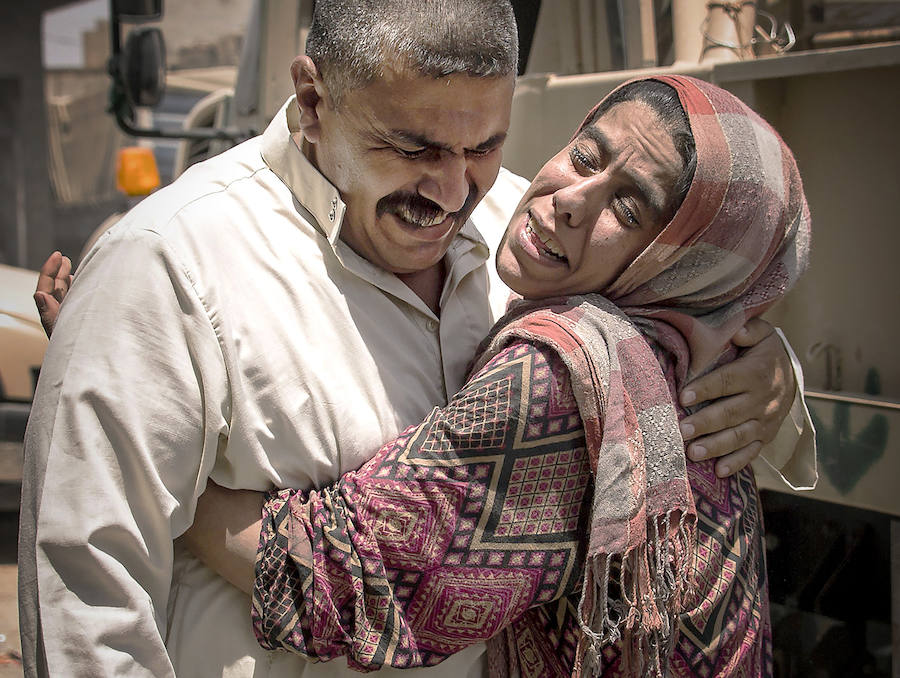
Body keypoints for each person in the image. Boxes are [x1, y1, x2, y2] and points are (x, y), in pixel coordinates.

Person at [19, 1, 811, 676]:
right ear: (314, 98)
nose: (455, 189)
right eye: (413, 148)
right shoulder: (172, 267)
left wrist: (770, 368)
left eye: (484, 147)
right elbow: (87, 599)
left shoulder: (528, 240)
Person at [186, 76, 810, 677]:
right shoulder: (703, 341)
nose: (571, 200)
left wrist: (173, 484)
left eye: (628, 206)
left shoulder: (573, 375)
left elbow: (348, 577)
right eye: (587, 156)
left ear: (686, 264)